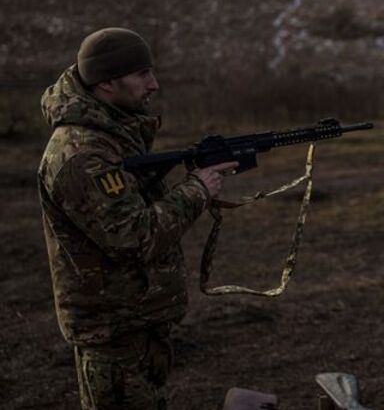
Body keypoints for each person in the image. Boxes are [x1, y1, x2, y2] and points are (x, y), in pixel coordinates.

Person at [38, 27, 237, 409]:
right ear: (108, 83)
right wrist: (197, 189)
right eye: (142, 75)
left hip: (135, 323)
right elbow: (134, 237)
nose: (154, 84)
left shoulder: (111, 135)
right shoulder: (82, 155)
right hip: (114, 333)